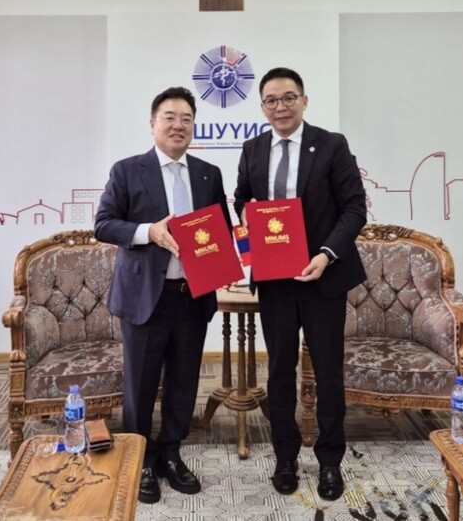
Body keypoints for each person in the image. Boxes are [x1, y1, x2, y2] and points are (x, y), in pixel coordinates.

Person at [234, 68, 367, 501]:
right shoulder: (253, 148)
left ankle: (329, 461)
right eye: (271, 100)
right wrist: (247, 212)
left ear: (304, 101)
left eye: (288, 97)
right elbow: (241, 199)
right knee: (279, 373)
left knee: (328, 371)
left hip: (322, 278)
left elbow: (353, 209)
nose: (280, 107)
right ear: (262, 107)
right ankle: (285, 456)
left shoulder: (331, 144)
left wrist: (326, 255)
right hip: (275, 280)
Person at [95, 86, 231, 504]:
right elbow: (103, 224)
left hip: (192, 296)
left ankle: (171, 453)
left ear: (194, 126)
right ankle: (141, 459)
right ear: (153, 124)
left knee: (184, 381)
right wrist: (147, 231)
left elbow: (221, 230)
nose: (178, 125)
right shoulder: (127, 170)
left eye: (187, 118)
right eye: (169, 117)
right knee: (140, 384)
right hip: (144, 297)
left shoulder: (209, 174)